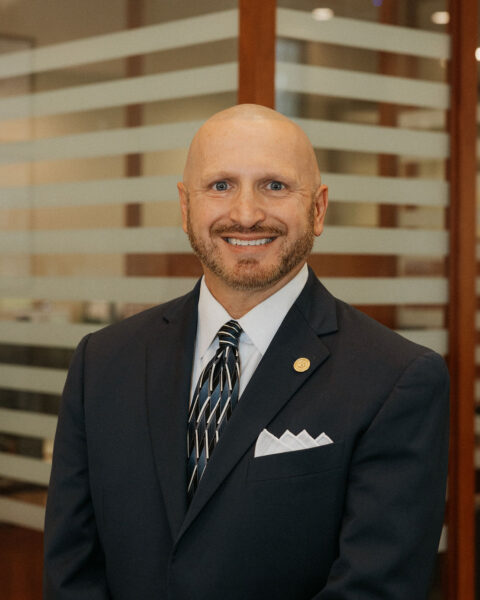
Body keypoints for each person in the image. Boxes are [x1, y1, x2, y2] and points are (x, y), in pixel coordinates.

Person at [44, 104, 449, 600]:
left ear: (318, 208)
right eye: (220, 185)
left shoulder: (397, 379)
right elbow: (72, 571)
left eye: (275, 186)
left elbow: (377, 589)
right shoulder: (102, 363)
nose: (245, 213)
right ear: (185, 206)